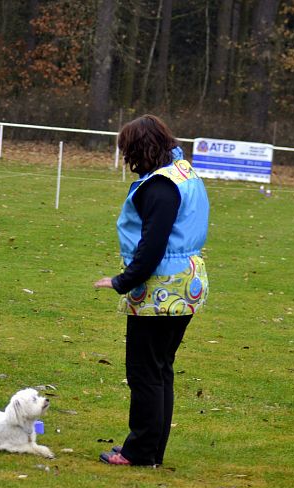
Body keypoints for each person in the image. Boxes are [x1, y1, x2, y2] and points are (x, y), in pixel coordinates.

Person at [94, 114, 209, 467]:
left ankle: (139, 452)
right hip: (186, 283)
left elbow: (153, 245)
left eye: (128, 151)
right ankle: (151, 451)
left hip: (162, 289)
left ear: (139, 150)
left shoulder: (160, 186)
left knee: (145, 372)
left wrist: (121, 281)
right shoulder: (184, 172)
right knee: (160, 370)